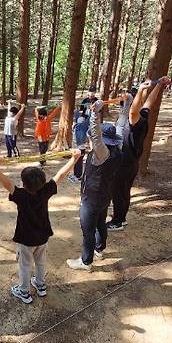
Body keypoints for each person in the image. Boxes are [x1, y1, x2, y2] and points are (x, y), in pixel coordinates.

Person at [0, 150, 81, 304]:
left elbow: (7, 184)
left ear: (23, 184)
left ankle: (24, 291)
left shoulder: (20, 195)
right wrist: (74, 160)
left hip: (26, 240)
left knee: (25, 266)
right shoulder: (45, 191)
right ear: (42, 183)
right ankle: (40, 284)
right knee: (40, 262)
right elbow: (60, 176)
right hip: (43, 237)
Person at [66, 101, 123, 271]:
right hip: (104, 196)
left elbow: (96, 136)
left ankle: (86, 261)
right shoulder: (117, 151)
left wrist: (95, 114)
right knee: (100, 224)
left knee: (88, 230)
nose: (91, 138)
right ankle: (99, 249)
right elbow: (97, 138)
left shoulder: (102, 153)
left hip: (92, 198)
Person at [108, 77, 169, 231]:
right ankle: (122, 218)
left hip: (124, 164)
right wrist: (159, 85)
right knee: (125, 191)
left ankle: (117, 221)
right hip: (133, 163)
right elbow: (150, 101)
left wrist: (141, 89)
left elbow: (133, 110)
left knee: (118, 193)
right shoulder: (144, 115)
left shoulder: (135, 121)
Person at [68, 108, 88, 183]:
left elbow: (87, 120)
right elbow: (77, 117)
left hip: (80, 148)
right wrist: (76, 110)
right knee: (76, 162)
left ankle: (78, 177)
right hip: (77, 148)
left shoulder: (82, 127)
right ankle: (76, 175)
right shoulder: (77, 125)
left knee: (79, 163)